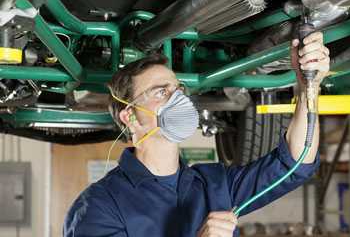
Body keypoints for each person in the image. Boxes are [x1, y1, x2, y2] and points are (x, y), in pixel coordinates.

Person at [63, 32, 330, 237]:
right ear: (130, 117)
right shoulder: (99, 206)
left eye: (178, 89)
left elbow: (296, 162)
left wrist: (308, 84)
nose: (177, 98)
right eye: (161, 92)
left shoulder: (214, 184)